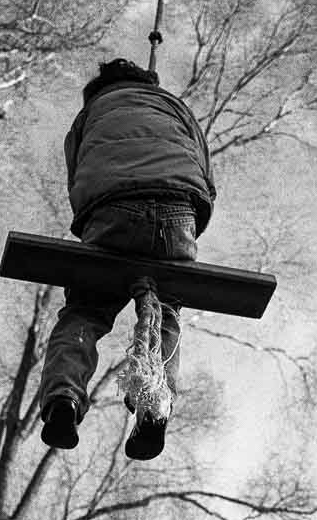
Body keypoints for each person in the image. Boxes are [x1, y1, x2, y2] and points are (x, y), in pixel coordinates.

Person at [39, 57, 216, 461]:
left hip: (111, 210)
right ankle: (155, 403)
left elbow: (75, 178)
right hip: (179, 211)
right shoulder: (175, 107)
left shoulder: (89, 116)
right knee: (165, 308)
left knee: (85, 311)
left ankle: (64, 397)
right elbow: (207, 175)